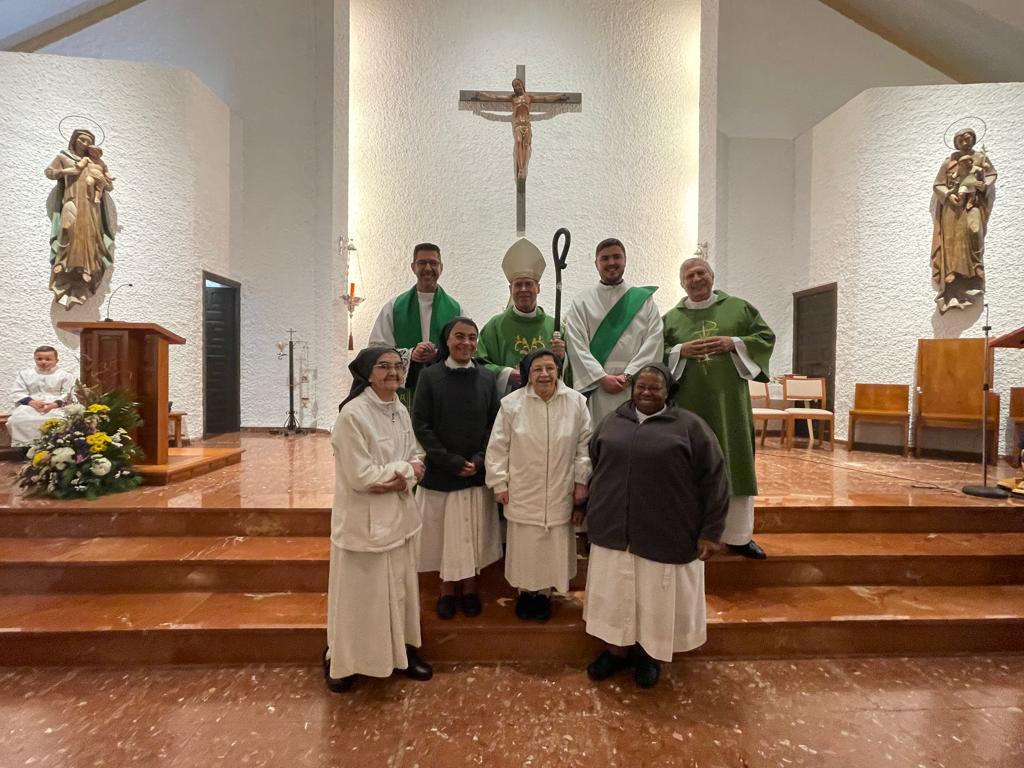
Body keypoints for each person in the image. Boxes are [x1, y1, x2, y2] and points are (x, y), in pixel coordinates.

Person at [582, 364, 729, 689]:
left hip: (665, 531)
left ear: (669, 391)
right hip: (613, 530)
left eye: (655, 388)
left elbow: (715, 479)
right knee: (616, 594)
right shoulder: (612, 421)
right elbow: (595, 464)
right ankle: (615, 651)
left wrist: (711, 531)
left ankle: (650, 656)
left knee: (653, 598)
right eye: (641, 387)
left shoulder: (690, 426)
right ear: (631, 389)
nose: (646, 393)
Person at [324, 346, 432, 693]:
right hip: (364, 526)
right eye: (383, 367)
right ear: (367, 374)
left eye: (397, 367)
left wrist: (408, 473)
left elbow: (417, 455)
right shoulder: (352, 416)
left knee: (400, 595)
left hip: (398, 519)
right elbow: (361, 476)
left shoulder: (399, 409)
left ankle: (402, 653)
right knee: (361, 600)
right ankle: (344, 661)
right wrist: (406, 472)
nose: (393, 372)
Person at [663, 258, 775, 560]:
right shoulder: (671, 318)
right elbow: (653, 354)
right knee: (690, 467)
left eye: (701, 273)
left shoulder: (739, 308)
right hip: (688, 405)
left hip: (730, 407)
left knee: (734, 463)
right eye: (689, 275)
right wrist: (679, 351)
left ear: (712, 277)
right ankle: (690, 531)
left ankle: (739, 537)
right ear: (682, 282)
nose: (696, 279)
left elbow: (765, 338)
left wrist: (734, 342)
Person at [485, 349, 591, 621]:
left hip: (560, 488)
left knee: (551, 547)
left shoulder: (576, 403)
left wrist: (581, 481)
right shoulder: (511, 404)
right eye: (537, 370)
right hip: (523, 488)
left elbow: (584, 447)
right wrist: (499, 483)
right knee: (526, 548)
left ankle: (544, 593)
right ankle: (525, 592)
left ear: (558, 371)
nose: (544, 374)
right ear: (528, 374)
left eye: (550, 368)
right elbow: (498, 448)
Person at [413, 317, 502, 619]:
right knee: (445, 535)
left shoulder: (487, 378)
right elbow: (421, 423)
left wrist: (478, 459)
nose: (466, 343)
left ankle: (471, 588)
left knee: (471, 534)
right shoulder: (430, 376)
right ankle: (446, 590)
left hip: (475, 469)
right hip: (442, 471)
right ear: (446, 340)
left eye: (472, 337)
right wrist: (448, 460)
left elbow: (495, 424)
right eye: (459, 336)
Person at [564, 238, 663, 425]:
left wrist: (629, 375)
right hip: (597, 388)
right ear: (596, 264)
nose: (611, 263)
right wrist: (601, 378)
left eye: (617, 257)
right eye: (605, 258)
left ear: (625, 260)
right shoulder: (582, 301)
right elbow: (576, 344)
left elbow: (654, 341)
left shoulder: (644, 301)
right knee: (599, 438)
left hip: (635, 386)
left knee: (634, 439)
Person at [369, 243, 462, 398]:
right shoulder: (393, 307)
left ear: (441, 268)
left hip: (444, 392)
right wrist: (410, 354)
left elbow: (467, 353)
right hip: (403, 393)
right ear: (413, 267)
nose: (427, 268)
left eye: (433, 263)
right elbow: (375, 351)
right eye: (421, 263)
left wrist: (437, 354)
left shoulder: (457, 311)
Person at [477, 238, 567, 395]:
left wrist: (563, 357)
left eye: (529, 284)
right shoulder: (494, 326)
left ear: (538, 288)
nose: (523, 289)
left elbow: (573, 371)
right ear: (510, 289)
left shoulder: (556, 327)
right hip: (509, 404)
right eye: (518, 285)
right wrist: (506, 374)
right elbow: (479, 364)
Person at [45, 128, 117, 310]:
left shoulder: (95, 162)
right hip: (72, 200)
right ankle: (63, 265)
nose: (84, 145)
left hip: (91, 206)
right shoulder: (64, 157)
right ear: (74, 140)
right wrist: (69, 170)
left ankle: (87, 270)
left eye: (88, 142)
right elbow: (49, 172)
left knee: (90, 237)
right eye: (82, 140)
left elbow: (108, 186)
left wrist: (104, 180)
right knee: (69, 231)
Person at [930, 128, 997, 313]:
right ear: (956, 143)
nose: (965, 143)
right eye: (961, 140)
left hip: (972, 202)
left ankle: (976, 267)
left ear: (974, 140)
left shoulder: (981, 158)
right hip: (953, 206)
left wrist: (985, 185)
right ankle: (950, 272)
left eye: (968, 139)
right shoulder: (948, 162)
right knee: (950, 240)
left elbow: (991, 174)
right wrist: (948, 196)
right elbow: (938, 184)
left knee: (974, 230)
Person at [473, 78, 571, 183]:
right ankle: (521, 170)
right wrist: (481, 94)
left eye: (517, 85)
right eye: (514, 86)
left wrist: (560, 96)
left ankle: (523, 168)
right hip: (518, 125)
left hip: (527, 125)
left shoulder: (529, 98)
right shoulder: (513, 98)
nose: (516, 87)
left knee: (525, 146)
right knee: (518, 143)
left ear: (522, 85)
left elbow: (546, 98)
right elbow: (496, 98)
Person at [7, 346, 77, 447]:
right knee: (17, 420)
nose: (43, 362)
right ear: (34, 359)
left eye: (48, 359)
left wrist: (55, 404)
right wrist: (31, 402)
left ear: (56, 360)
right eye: (39, 359)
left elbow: (69, 392)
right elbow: (17, 391)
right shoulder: (25, 374)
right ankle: (26, 448)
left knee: (62, 420)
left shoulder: (65, 375)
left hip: (56, 405)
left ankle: (55, 447)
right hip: (31, 406)